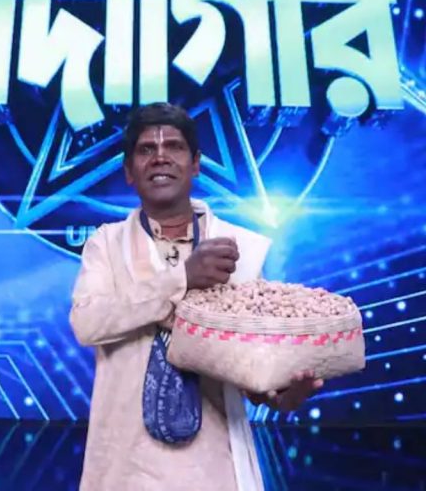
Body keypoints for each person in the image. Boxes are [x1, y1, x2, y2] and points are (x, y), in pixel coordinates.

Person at [69, 103, 323, 491]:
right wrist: (182, 278)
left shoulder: (240, 249)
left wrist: (280, 395)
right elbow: (87, 324)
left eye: (173, 146)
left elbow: (251, 365)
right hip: (125, 469)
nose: (160, 157)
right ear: (129, 171)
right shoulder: (106, 243)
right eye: (146, 149)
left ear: (196, 165)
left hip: (213, 470)